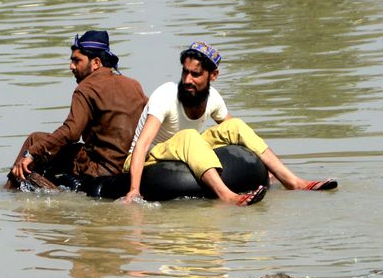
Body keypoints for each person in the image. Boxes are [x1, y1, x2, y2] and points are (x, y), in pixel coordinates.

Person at [122, 41, 337, 205]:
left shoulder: (213, 97)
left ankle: (292, 181)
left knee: (237, 125)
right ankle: (227, 196)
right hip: (148, 158)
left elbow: (232, 129)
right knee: (189, 136)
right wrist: (134, 189)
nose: (187, 80)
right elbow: (142, 144)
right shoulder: (166, 95)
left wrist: (265, 168)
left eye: (195, 74)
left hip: (184, 150)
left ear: (213, 75)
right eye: (185, 72)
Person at [8, 30, 148, 193]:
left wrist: (32, 153)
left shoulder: (86, 88)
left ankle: (8, 193)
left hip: (99, 169)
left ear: (96, 63)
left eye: (77, 61)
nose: (71, 66)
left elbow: (71, 132)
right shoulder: (133, 85)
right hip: (129, 164)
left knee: (35, 140)